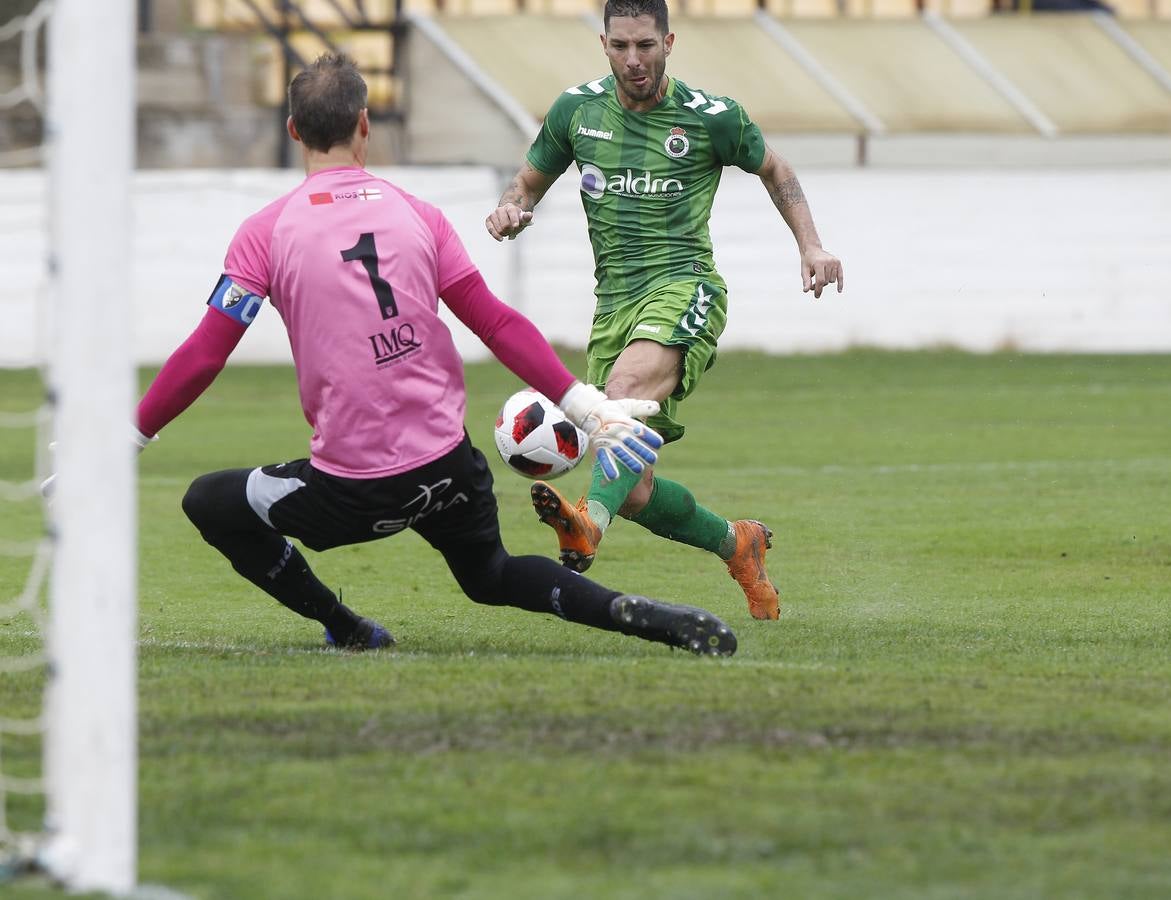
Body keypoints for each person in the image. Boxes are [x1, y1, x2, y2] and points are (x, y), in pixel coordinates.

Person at [113, 53, 736, 657]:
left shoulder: (264, 232)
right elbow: (495, 322)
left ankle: (347, 626)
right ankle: (636, 613)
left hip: (350, 491)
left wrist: (128, 439)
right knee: (490, 574)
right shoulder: (420, 215)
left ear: (293, 131)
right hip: (448, 467)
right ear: (365, 125)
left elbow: (204, 354)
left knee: (208, 500)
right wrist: (587, 405)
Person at [485, 0, 843, 621]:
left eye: (645, 45)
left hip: (684, 289)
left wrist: (810, 243)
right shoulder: (577, 111)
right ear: (603, 45)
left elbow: (775, 167)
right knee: (636, 491)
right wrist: (509, 209)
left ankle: (587, 526)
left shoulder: (711, 118)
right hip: (613, 309)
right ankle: (739, 544)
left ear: (669, 41)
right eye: (620, 46)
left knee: (620, 394)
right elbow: (526, 183)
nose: (634, 60)